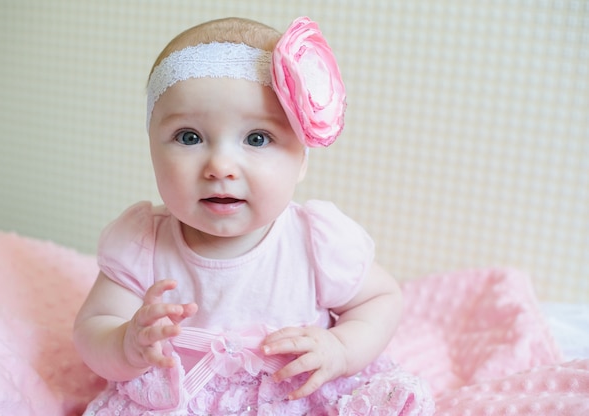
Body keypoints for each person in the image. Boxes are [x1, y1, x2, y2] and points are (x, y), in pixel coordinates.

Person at [74, 16, 434, 415]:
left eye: (257, 138)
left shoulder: (314, 242)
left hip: (293, 396)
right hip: (183, 400)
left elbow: (381, 299)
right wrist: (125, 343)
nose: (221, 166)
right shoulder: (143, 244)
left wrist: (341, 348)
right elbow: (93, 330)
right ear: (152, 148)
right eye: (189, 137)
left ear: (301, 161)